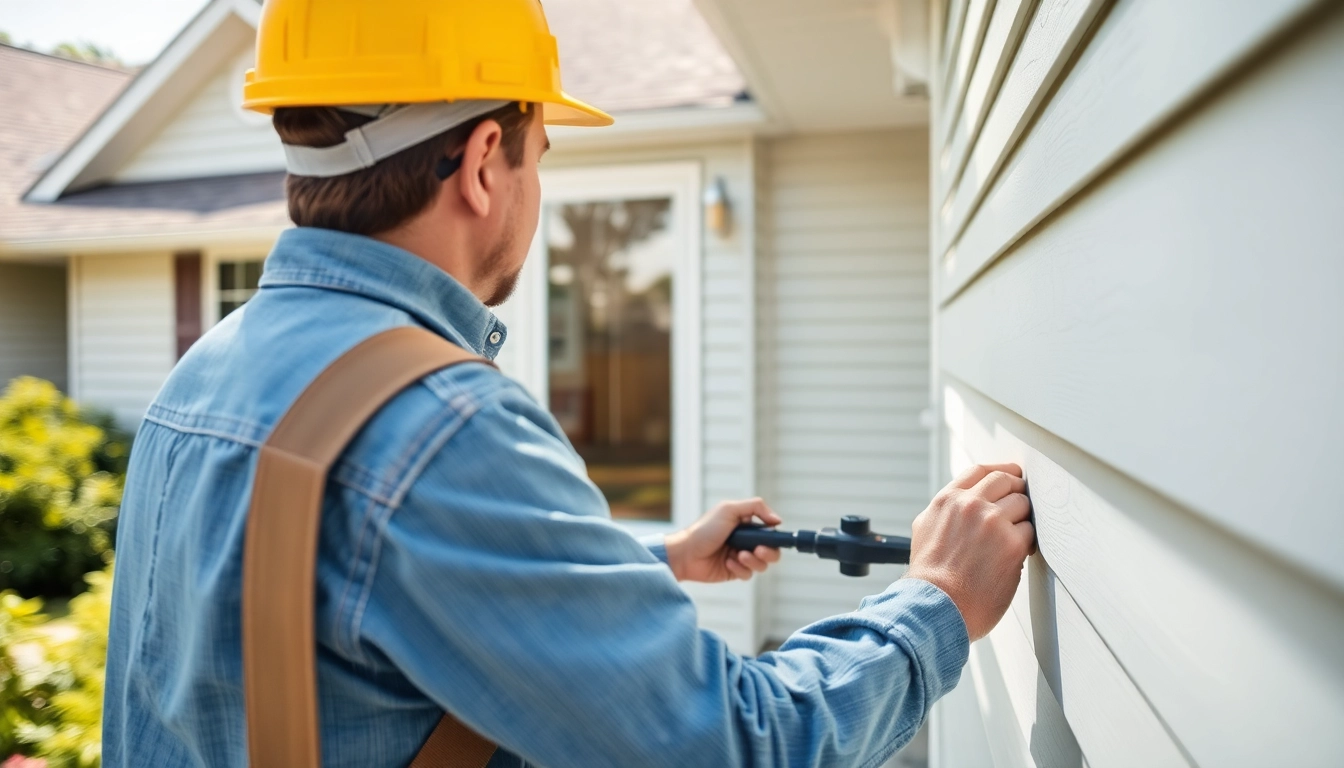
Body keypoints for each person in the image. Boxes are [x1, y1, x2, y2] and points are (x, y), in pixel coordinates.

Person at [101, 1, 1035, 766]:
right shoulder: (439, 424)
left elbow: (362, 588)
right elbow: (734, 748)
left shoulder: (198, 384)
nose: (533, 189)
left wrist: (655, 557)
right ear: (479, 168)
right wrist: (938, 601)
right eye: (538, 156)